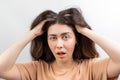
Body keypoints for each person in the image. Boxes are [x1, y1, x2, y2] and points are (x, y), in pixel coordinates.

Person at [0, 7, 120, 80]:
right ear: (46, 41)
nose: (59, 44)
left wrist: (84, 30)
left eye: (65, 37)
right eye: (53, 38)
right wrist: (33, 33)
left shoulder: (91, 67)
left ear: (76, 39)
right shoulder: (36, 69)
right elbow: (2, 69)